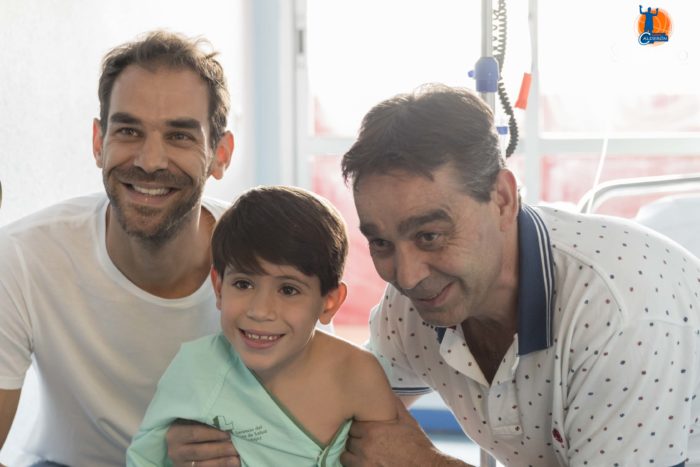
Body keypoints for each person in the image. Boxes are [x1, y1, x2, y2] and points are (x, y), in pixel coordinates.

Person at [337, 84, 700, 466]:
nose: (408, 277)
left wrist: (424, 463)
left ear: (502, 199)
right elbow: (350, 404)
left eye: (430, 236)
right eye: (381, 243)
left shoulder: (620, 313)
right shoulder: (417, 300)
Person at [0, 31, 235, 466]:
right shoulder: (23, 257)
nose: (150, 161)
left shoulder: (269, 252)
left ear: (220, 154)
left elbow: (322, 421)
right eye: (128, 131)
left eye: (180, 136)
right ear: (98, 142)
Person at [126, 185, 397, 466]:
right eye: (243, 284)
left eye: (289, 290)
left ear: (329, 303)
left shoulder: (358, 375)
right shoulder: (196, 369)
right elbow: (144, 460)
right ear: (219, 288)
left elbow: (392, 456)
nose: (260, 311)